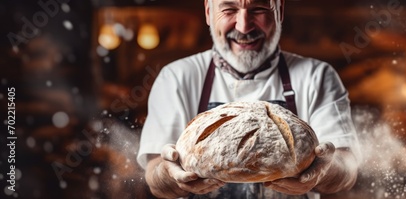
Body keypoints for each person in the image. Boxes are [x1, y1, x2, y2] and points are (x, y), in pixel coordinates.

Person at [137, 0, 361, 198]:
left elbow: (346, 168)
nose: (244, 27)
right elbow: (156, 178)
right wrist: (169, 175)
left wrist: (322, 173)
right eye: (229, 9)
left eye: (259, 9)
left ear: (279, 10)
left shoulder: (317, 76)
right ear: (208, 11)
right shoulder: (176, 77)